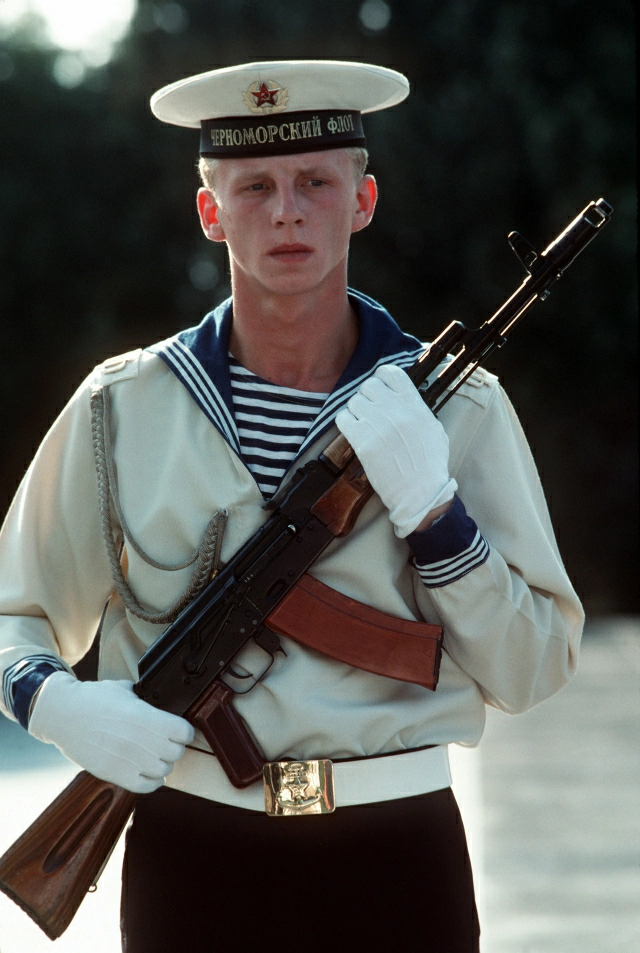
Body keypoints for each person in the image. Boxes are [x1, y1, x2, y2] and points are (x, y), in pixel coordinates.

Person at [0, 61, 583, 952]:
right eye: (255, 187)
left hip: (396, 854)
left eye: (316, 182)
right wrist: (51, 701)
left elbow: (536, 667)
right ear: (210, 211)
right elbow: (11, 612)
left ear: (363, 200)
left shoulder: (460, 411)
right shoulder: (121, 408)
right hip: (194, 854)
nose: (286, 211)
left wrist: (439, 519)